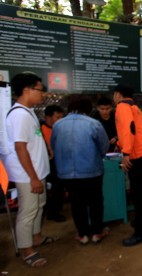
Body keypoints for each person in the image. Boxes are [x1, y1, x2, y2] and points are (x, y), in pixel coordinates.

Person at [2, 73, 51, 267]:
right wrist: (33, 178)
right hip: (28, 175)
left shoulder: (28, 111)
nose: (43, 94)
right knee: (28, 211)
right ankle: (26, 250)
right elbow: (20, 148)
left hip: (37, 173)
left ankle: (36, 237)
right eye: (40, 89)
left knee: (39, 206)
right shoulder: (20, 115)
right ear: (26, 90)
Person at [51, 96, 109, 245]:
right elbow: (104, 146)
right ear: (88, 110)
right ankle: (97, 232)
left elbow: (53, 145)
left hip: (67, 173)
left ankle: (82, 234)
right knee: (95, 201)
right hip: (91, 171)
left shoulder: (58, 125)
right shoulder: (93, 124)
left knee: (77, 203)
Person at [113, 84, 142, 246]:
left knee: (140, 197)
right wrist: (120, 143)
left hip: (140, 156)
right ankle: (141, 224)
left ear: (118, 94)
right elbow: (135, 130)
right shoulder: (134, 107)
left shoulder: (122, 106)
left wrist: (126, 153)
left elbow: (129, 129)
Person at [40, 105, 66, 222]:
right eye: (58, 117)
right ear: (48, 117)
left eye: (62, 117)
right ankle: (52, 212)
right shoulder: (40, 130)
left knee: (59, 188)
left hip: (60, 163)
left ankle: (55, 211)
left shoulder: (60, 129)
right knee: (53, 188)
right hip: (47, 164)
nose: (60, 119)